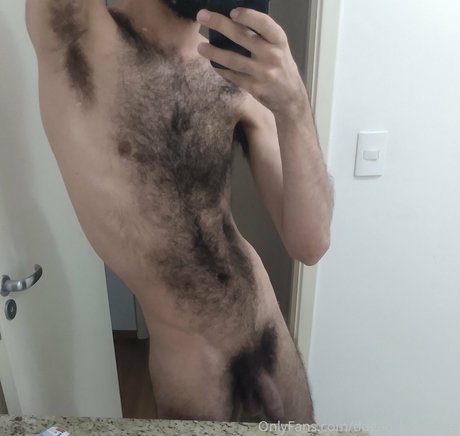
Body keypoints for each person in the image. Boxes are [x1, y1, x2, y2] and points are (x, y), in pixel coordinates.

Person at [25, 0, 333, 423]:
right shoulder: (77, 33)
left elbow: (311, 242)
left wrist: (294, 103)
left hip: (271, 338)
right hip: (194, 374)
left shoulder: (234, 75)